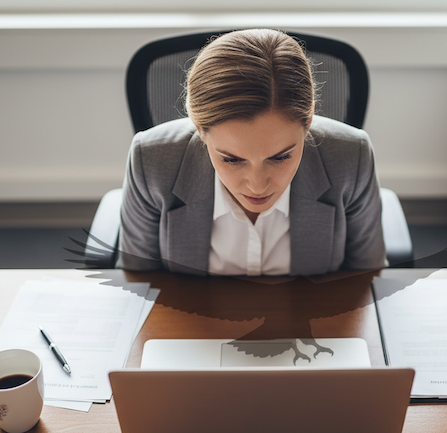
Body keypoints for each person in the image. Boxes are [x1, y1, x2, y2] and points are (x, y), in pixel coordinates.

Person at [118, 28, 385, 276]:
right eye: (231, 159)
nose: (257, 185)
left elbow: (366, 280)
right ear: (199, 128)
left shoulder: (352, 157)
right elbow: (139, 282)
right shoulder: (151, 160)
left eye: (281, 157)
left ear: (309, 121)